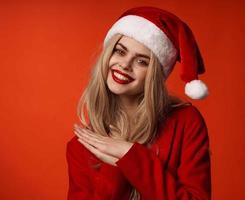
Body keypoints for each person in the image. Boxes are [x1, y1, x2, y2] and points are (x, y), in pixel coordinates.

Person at [66, 6, 211, 200]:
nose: (125, 65)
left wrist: (130, 156)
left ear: (156, 75)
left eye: (142, 61)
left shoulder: (185, 122)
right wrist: (117, 168)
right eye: (120, 51)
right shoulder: (83, 146)